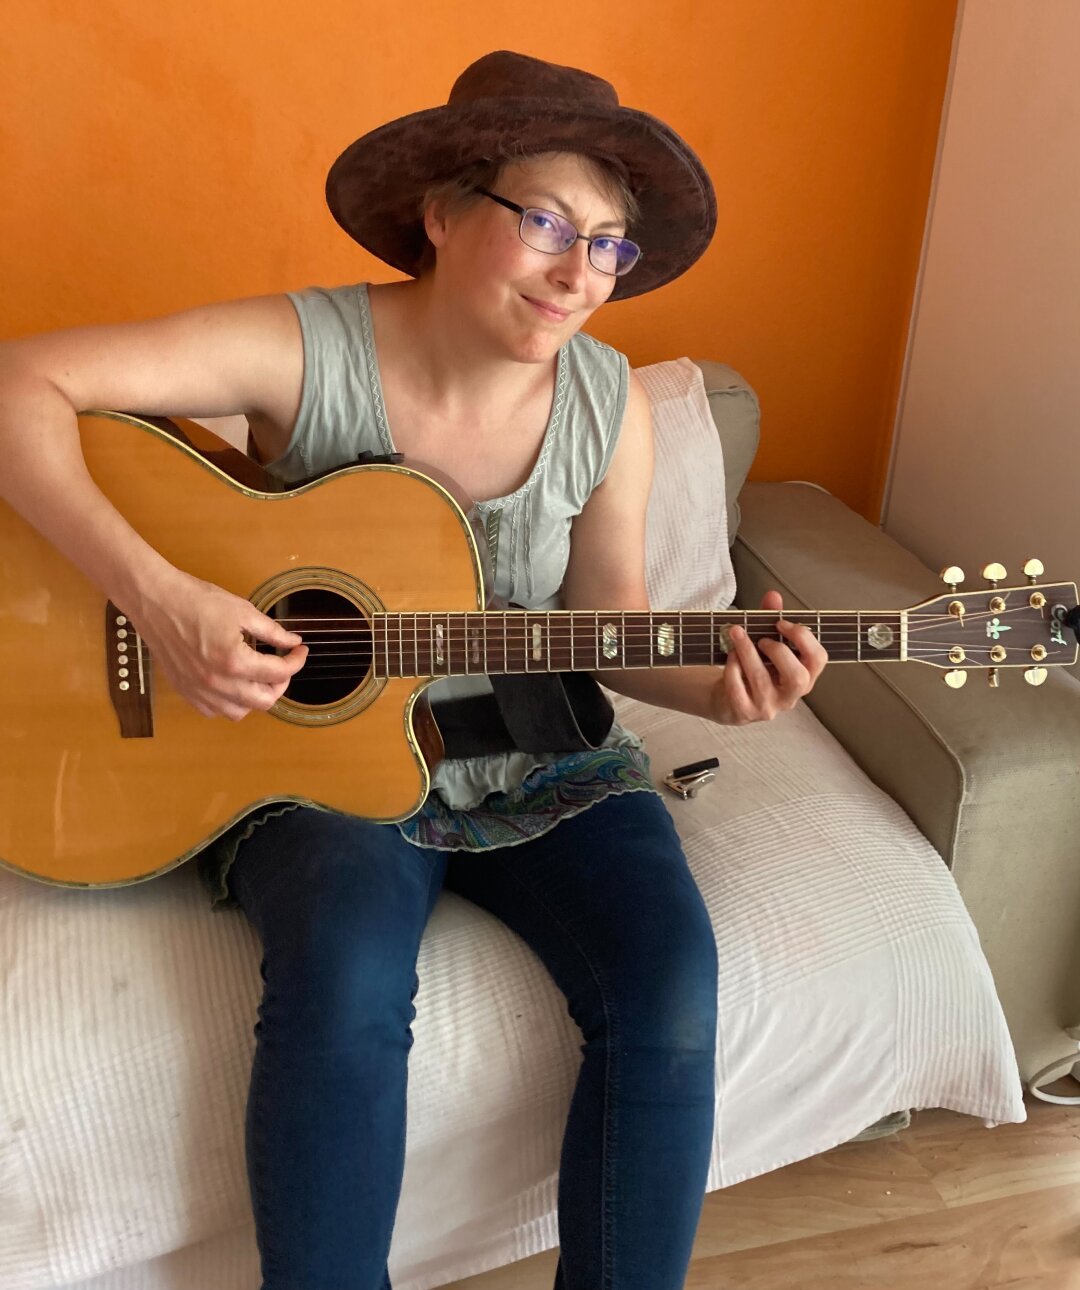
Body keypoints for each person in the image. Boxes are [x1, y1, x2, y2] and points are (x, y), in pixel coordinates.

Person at [0, 50, 827, 1290]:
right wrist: (161, 599)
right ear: (442, 212)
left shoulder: (613, 404)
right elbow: (20, 384)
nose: (578, 275)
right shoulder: (305, 346)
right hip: (317, 755)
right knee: (341, 984)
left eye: (610, 245)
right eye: (547, 222)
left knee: (672, 987)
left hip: (536, 744)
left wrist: (726, 689)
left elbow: (610, 619)